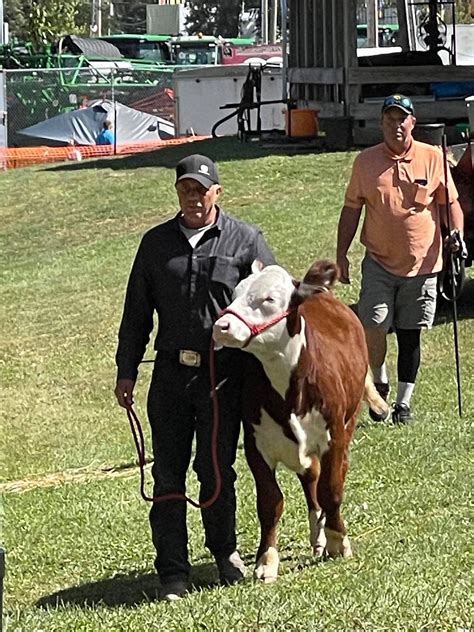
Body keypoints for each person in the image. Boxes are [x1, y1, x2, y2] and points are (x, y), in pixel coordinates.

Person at [114, 154, 275, 600]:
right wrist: (126, 370)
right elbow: (136, 315)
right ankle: (173, 572)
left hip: (223, 377)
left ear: (217, 193)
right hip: (168, 376)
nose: (194, 197)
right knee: (168, 473)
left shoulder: (246, 241)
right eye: (186, 188)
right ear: (177, 192)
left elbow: (273, 299)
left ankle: (225, 554)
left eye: (202, 189)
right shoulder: (155, 244)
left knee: (217, 469)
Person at [336, 94, 464, 424]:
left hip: (423, 264)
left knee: (410, 333)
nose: (396, 124)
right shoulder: (365, 162)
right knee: (373, 323)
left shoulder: (433, 157)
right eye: (390, 119)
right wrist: (342, 255)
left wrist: (456, 234)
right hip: (378, 260)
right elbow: (352, 210)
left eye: (402, 118)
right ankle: (379, 379)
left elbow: (450, 204)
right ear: (382, 123)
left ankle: (404, 403)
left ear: (412, 122)